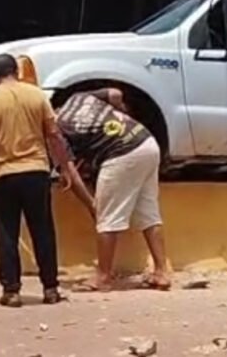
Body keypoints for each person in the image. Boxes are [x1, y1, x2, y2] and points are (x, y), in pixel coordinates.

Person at [0, 54, 73, 307]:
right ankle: (50, 288)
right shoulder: (37, 96)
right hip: (36, 170)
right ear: (16, 70)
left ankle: (11, 290)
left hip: (2, 173)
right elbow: (54, 135)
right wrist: (64, 167)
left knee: (5, 233)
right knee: (43, 230)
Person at [56, 88, 171, 292]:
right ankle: (162, 272)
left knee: (107, 219)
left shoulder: (55, 133)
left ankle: (103, 277)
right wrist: (120, 118)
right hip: (146, 141)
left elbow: (71, 176)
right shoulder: (78, 98)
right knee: (148, 213)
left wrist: (91, 204)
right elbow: (116, 93)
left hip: (121, 153)